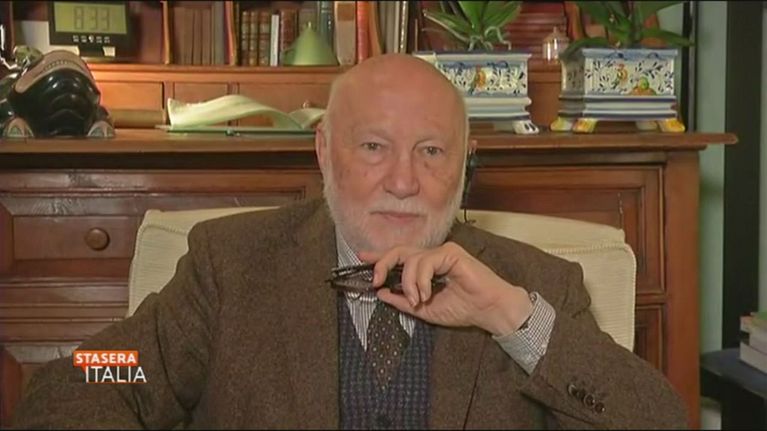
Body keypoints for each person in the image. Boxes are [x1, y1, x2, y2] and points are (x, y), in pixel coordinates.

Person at [12, 54, 687, 430]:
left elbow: (656, 419)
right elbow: (94, 374)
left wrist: (512, 319)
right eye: (373, 147)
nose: (403, 181)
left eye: (431, 151)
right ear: (324, 151)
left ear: (464, 165)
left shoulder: (532, 287)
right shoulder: (231, 266)